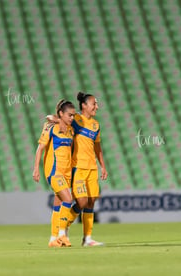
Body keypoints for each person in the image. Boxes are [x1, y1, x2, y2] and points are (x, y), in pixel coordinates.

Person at [48, 92, 108, 246]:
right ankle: (64, 226)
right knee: (81, 201)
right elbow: (63, 121)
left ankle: (87, 239)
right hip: (77, 167)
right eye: (94, 104)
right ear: (84, 106)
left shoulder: (96, 125)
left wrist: (103, 166)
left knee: (91, 202)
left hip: (92, 168)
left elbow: (97, 146)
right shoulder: (76, 119)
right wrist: (54, 119)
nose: (97, 106)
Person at [33, 99, 76, 247]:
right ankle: (62, 234)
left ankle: (53, 239)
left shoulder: (70, 130)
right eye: (69, 115)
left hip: (66, 172)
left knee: (58, 204)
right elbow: (40, 148)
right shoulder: (50, 127)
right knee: (68, 200)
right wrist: (36, 169)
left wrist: (59, 119)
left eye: (73, 115)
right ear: (61, 113)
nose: (72, 118)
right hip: (54, 171)